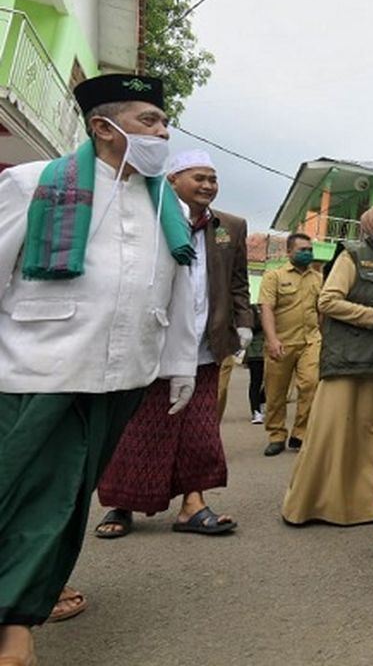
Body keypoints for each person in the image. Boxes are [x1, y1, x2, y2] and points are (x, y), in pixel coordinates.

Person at [0, 74, 197, 666]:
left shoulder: (168, 204)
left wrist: (179, 364)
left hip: (123, 376)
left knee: (65, 501)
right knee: (25, 496)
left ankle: (22, 607)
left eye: (164, 122)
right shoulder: (33, 183)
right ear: (103, 128)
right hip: (38, 370)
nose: (162, 132)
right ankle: (15, 633)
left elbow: (180, 289)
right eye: (148, 121)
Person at [93, 149, 251, 538]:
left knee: (199, 429)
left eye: (213, 179)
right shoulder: (149, 218)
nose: (208, 185)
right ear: (173, 180)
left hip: (205, 346)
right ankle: (122, 504)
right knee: (138, 426)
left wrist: (243, 325)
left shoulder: (231, 226)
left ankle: (193, 505)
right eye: (199, 177)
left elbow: (238, 283)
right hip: (151, 343)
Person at [283, 203, 373, 527]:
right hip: (349, 360)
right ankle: (315, 505)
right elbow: (328, 301)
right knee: (334, 435)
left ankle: (370, 506)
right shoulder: (353, 255)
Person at [260, 233, 322, 456]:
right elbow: (266, 308)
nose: (307, 253)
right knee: (276, 393)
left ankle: (300, 434)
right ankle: (276, 435)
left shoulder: (317, 278)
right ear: (288, 252)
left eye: (309, 250)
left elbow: (321, 310)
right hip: (282, 343)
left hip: (310, 341)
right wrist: (272, 339)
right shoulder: (274, 276)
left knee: (310, 385)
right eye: (302, 250)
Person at [244, 304, 267, 423]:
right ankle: (256, 411)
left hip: (271, 348)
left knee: (273, 381)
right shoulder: (251, 307)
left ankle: (262, 400)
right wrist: (266, 318)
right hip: (255, 350)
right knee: (256, 381)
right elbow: (250, 325)